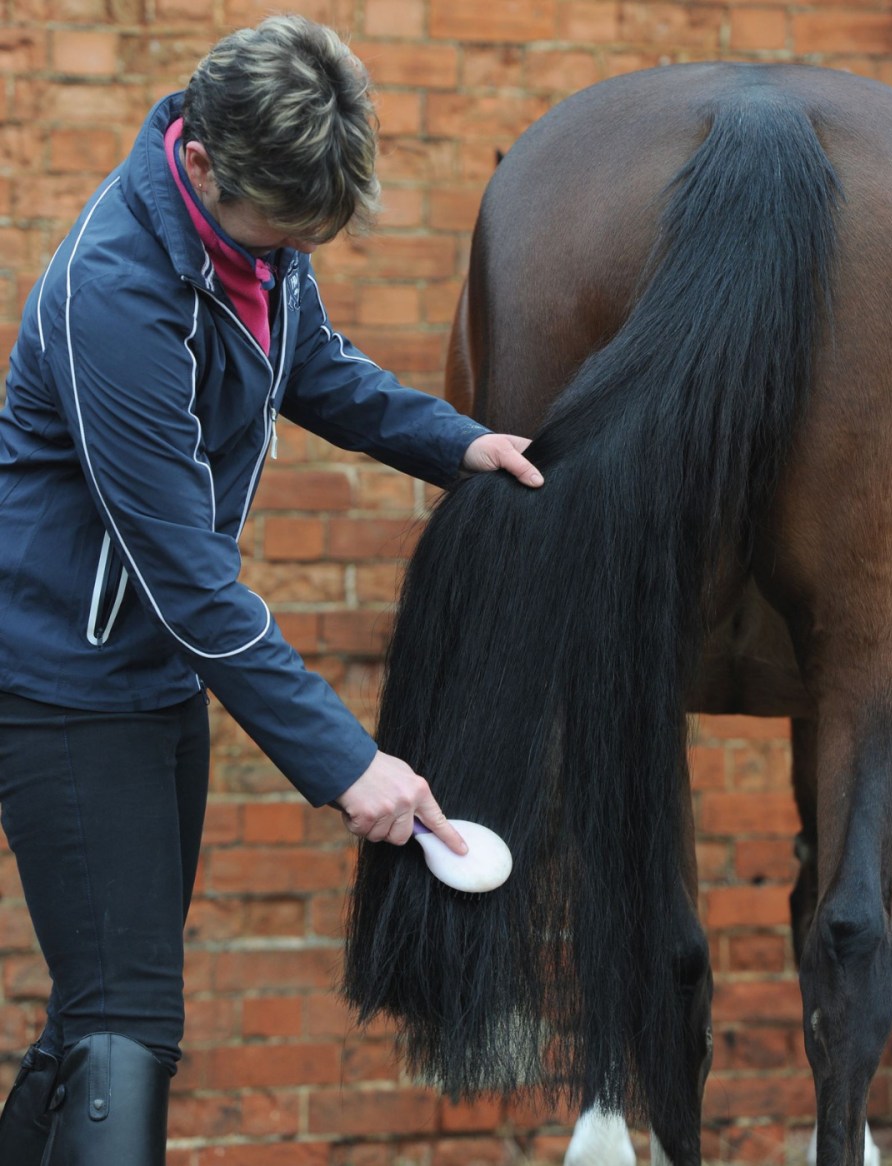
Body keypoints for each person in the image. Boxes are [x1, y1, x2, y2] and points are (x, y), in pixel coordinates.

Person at [0, 15, 543, 1164]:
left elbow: (316, 366)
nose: (294, 255)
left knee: (99, 998)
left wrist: (461, 445)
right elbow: (191, 580)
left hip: (148, 681)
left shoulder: (248, 249)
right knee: (125, 1025)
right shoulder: (117, 294)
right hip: (63, 690)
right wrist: (348, 762)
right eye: (283, 232)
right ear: (201, 161)